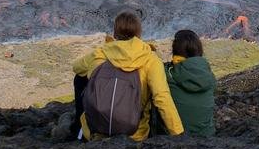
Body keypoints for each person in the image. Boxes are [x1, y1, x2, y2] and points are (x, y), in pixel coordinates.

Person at [71, 11, 184, 141]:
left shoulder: (101, 53)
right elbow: (162, 98)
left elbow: (76, 67)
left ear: (115, 33)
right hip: (134, 134)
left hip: (95, 131)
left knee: (80, 78)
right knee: (155, 91)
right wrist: (179, 135)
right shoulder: (150, 59)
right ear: (139, 33)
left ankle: (78, 126)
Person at [161, 29, 216, 136]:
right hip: (207, 134)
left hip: (174, 135)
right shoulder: (208, 74)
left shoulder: (167, 72)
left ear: (175, 50)